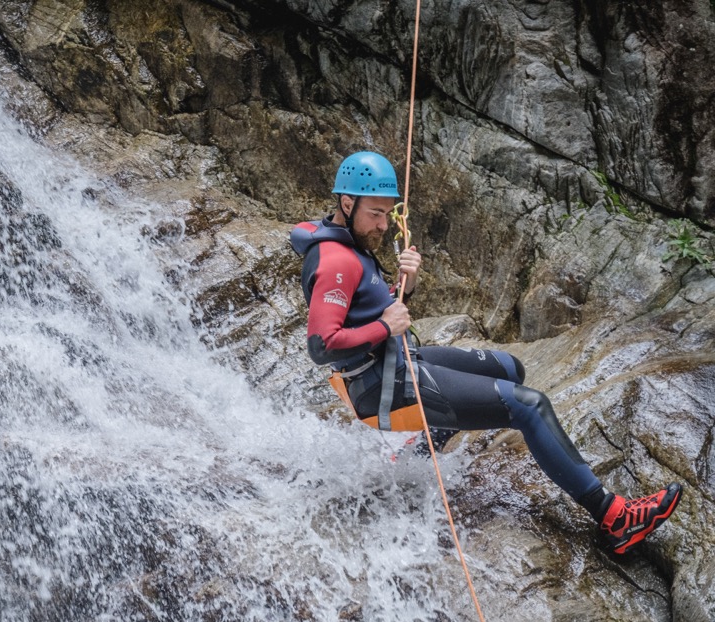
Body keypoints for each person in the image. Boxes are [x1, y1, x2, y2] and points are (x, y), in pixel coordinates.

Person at [291, 150, 682, 554]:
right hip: (383, 386)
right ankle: (614, 517)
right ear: (346, 203)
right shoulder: (337, 261)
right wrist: (385, 327)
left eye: (388, 214)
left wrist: (405, 288)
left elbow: (370, 308)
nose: (384, 225)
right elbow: (322, 346)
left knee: (510, 369)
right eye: (375, 213)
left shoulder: (350, 242)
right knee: (529, 406)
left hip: (395, 363)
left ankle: (420, 454)